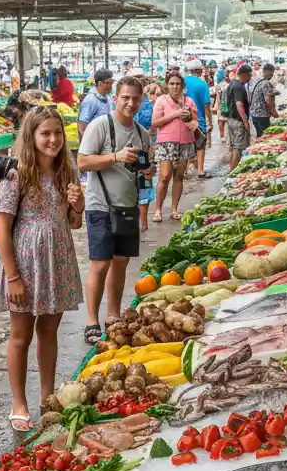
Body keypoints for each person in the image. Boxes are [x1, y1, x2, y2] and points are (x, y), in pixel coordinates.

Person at [0, 108, 84, 430]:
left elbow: (73, 224)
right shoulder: (16, 174)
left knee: (48, 332)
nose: (53, 139)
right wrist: (13, 276)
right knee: (20, 335)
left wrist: (78, 206)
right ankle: (19, 402)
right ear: (31, 137)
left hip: (56, 260)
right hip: (25, 262)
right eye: (45, 133)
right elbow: (1, 229)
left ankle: (47, 397)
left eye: (57, 133)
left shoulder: (66, 172)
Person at [77, 77, 152, 345]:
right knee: (100, 264)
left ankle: (112, 315)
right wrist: (115, 157)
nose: (130, 103)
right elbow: (83, 162)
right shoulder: (101, 126)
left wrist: (147, 168)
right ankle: (91, 321)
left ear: (141, 100)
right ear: (116, 98)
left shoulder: (143, 133)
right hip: (101, 206)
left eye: (135, 98)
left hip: (128, 206)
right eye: (125, 98)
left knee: (120, 262)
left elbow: (145, 169)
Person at [151, 73, 198, 223]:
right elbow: (155, 122)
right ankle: (158, 209)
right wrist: (175, 114)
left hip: (185, 142)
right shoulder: (161, 100)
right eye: (171, 83)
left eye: (177, 84)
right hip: (166, 142)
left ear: (182, 86)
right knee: (165, 175)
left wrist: (190, 120)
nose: (175, 86)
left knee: (179, 176)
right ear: (167, 85)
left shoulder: (189, 101)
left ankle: (174, 209)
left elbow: (195, 122)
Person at [134, 77, 157, 231]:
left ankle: (141, 224)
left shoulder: (138, 106)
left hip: (139, 150)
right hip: (145, 150)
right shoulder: (148, 105)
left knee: (141, 186)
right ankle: (143, 223)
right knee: (145, 185)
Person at [184, 62, 213, 179]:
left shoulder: (181, 81)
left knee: (185, 145)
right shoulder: (202, 84)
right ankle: (200, 171)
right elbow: (206, 105)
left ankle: (184, 171)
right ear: (199, 71)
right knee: (200, 145)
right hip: (199, 119)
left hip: (183, 118)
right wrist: (209, 121)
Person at [225, 63, 253, 170]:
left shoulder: (232, 84)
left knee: (233, 147)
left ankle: (231, 168)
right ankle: (234, 170)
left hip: (231, 119)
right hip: (238, 121)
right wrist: (245, 121)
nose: (250, 78)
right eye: (249, 75)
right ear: (244, 74)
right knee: (238, 147)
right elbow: (239, 104)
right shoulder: (239, 87)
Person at [77, 68, 115, 141]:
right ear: (100, 83)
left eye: (111, 83)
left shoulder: (108, 98)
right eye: (108, 83)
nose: (110, 86)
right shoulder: (90, 100)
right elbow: (82, 127)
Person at [249, 62, 277, 138]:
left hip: (254, 114)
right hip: (262, 114)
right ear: (270, 72)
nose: (272, 75)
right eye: (272, 73)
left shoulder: (258, 81)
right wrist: (273, 111)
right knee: (265, 137)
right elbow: (268, 100)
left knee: (259, 135)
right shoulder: (266, 83)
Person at [213, 68, 231, 142]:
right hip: (228, 105)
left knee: (220, 121)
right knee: (228, 120)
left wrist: (218, 105)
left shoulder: (218, 86)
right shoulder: (228, 85)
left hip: (220, 105)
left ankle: (222, 135)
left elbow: (218, 97)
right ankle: (228, 135)